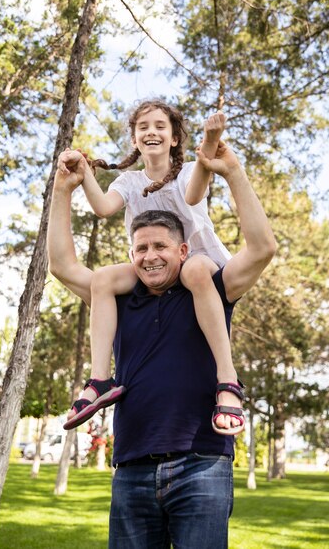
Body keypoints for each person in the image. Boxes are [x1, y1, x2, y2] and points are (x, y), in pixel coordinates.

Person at [47, 138, 276, 549]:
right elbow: (62, 266)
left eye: (161, 247)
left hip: (202, 464)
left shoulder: (209, 288)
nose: (150, 256)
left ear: (183, 250)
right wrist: (63, 191)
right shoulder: (116, 302)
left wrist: (235, 173)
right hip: (132, 466)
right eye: (141, 248)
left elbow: (262, 249)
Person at [57, 101, 245, 435]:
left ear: (174, 138)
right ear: (134, 139)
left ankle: (227, 377)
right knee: (102, 278)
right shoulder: (129, 182)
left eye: (160, 126)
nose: (151, 132)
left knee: (195, 272)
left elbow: (192, 195)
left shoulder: (188, 171)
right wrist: (84, 175)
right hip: (152, 264)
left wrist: (211, 145)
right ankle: (100, 379)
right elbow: (102, 208)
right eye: (143, 127)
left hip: (195, 258)